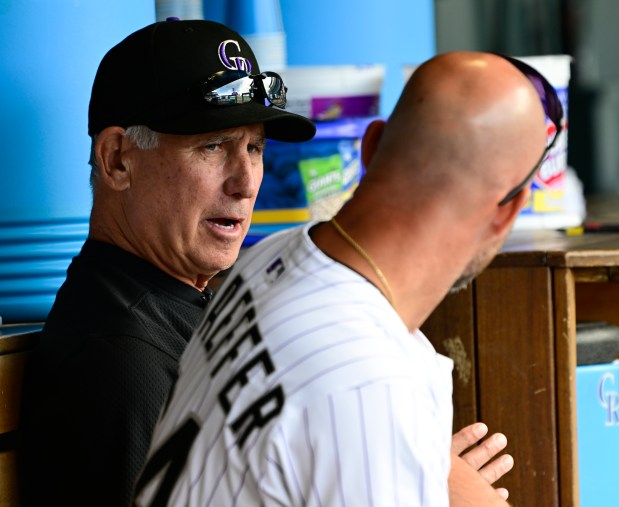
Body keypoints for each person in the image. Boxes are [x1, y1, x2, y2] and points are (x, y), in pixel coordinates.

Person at [133, 51, 562, 506]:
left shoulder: (276, 254)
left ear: (370, 145)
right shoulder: (369, 386)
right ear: (507, 212)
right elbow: (355, 390)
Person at [19, 18, 315, 507]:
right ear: (117, 159)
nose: (245, 182)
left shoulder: (175, 303)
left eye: (255, 147)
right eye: (213, 145)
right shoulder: (122, 360)